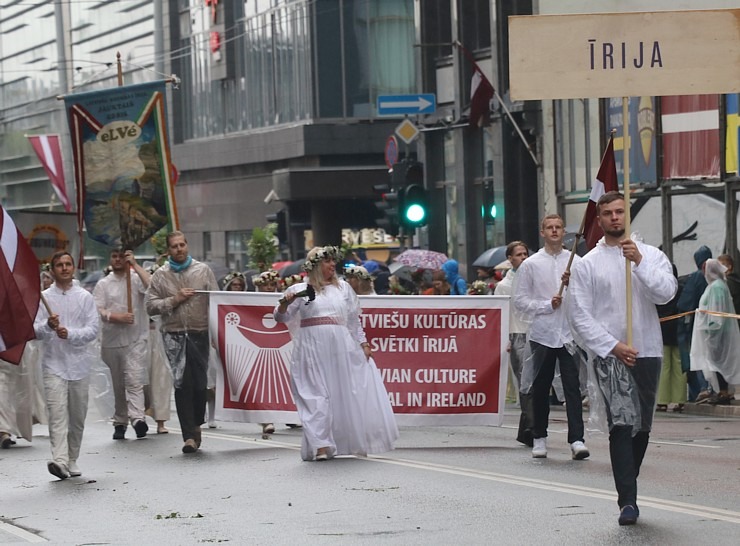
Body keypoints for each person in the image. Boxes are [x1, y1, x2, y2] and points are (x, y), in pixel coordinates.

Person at [567, 191, 677, 526]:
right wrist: (612, 345)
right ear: (599, 220)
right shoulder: (587, 264)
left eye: (619, 212)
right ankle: (627, 501)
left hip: (648, 350)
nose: (615, 218)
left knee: (642, 426)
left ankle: (629, 477)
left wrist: (640, 263)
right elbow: (579, 315)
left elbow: (667, 293)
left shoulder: (651, 255)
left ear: (626, 216)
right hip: (611, 354)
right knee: (622, 423)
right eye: (608, 214)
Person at [273, 245, 398, 461]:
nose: (332, 265)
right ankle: (321, 445)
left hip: (341, 347)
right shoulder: (300, 290)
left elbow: (352, 320)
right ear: (315, 265)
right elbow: (281, 318)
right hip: (311, 349)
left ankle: (347, 441)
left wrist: (364, 344)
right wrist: (285, 304)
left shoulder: (343, 289)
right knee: (315, 396)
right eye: (327, 261)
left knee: (345, 393)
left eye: (333, 262)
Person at [513, 214, 589, 460]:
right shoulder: (531, 264)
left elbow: (587, 297)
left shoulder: (575, 262)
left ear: (564, 231)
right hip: (543, 334)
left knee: (573, 389)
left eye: (558, 227)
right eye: (550, 228)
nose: (554, 231)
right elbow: (521, 301)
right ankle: (539, 437)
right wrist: (547, 304)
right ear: (542, 232)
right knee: (541, 387)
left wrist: (573, 284)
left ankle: (577, 438)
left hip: (568, 334)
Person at [145, 231, 218, 454]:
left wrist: (217, 333)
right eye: (174, 246)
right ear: (168, 251)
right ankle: (189, 435)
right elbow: (150, 306)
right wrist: (174, 300)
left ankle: (196, 424)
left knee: (199, 384)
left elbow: (216, 300)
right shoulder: (160, 275)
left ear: (187, 246)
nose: (179, 249)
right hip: (174, 335)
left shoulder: (202, 270)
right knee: (182, 383)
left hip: (199, 332)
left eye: (182, 245)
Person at [33, 251, 100, 479]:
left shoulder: (85, 297)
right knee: (57, 413)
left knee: (77, 416)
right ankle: (59, 460)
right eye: (59, 265)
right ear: (52, 270)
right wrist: (48, 326)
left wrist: (69, 333)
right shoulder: (43, 297)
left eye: (67, 264)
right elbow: (33, 329)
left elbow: (93, 330)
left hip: (79, 364)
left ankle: (72, 458)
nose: (64, 268)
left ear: (73, 268)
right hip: (53, 364)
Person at [93, 249, 151, 440]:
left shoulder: (135, 279)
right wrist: (115, 316)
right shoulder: (103, 284)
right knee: (118, 384)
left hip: (135, 339)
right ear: (111, 259)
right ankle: (120, 421)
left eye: (121, 256)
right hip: (111, 341)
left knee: (133, 380)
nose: (118, 259)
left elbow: (151, 286)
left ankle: (138, 419)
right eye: (114, 256)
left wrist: (134, 264)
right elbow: (98, 309)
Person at [494, 241, 533, 444]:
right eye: (519, 254)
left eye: (526, 254)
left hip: (535, 333)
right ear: (510, 259)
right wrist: (505, 339)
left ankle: (528, 428)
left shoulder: (534, 279)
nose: (524, 257)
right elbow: (499, 315)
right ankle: (530, 427)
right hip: (516, 334)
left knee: (537, 382)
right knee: (525, 382)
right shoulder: (503, 286)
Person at [689, 259, 740, 405]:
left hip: (717, 332)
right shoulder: (714, 286)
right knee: (717, 362)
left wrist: (711, 328)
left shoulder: (717, 287)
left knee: (718, 362)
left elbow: (717, 311)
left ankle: (723, 392)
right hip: (715, 331)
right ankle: (721, 391)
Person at [676, 245, 712, 401]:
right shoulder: (715, 276)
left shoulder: (696, 278)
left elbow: (685, 303)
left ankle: (699, 389)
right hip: (712, 325)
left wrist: (683, 326)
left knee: (694, 356)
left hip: (694, 326)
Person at [656, 264, 686, 412]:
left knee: (664, 366)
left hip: (662, 329)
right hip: (678, 330)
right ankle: (679, 400)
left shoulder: (661, 288)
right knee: (679, 365)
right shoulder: (680, 288)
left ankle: (662, 400)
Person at [253, 269, 281, 434]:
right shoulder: (251, 302)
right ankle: (266, 420)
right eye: (266, 285)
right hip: (259, 350)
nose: (269, 288)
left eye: (272, 285)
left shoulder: (283, 301)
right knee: (261, 384)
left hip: (278, 348)